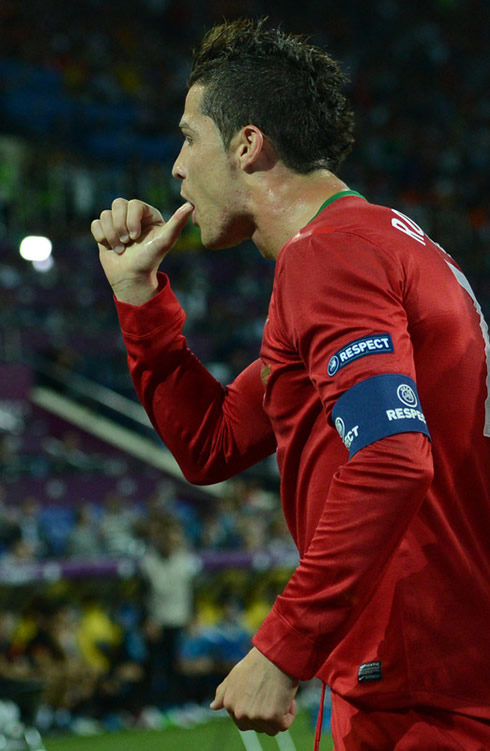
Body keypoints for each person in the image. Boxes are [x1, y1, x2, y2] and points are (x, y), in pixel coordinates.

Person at [91, 18, 490, 751]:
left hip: (415, 696)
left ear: (246, 144)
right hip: (431, 673)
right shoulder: (386, 242)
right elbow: (210, 445)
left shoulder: (330, 258)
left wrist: (282, 647)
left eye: (189, 137)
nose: (176, 167)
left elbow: (393, 454)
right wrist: (140, 301)